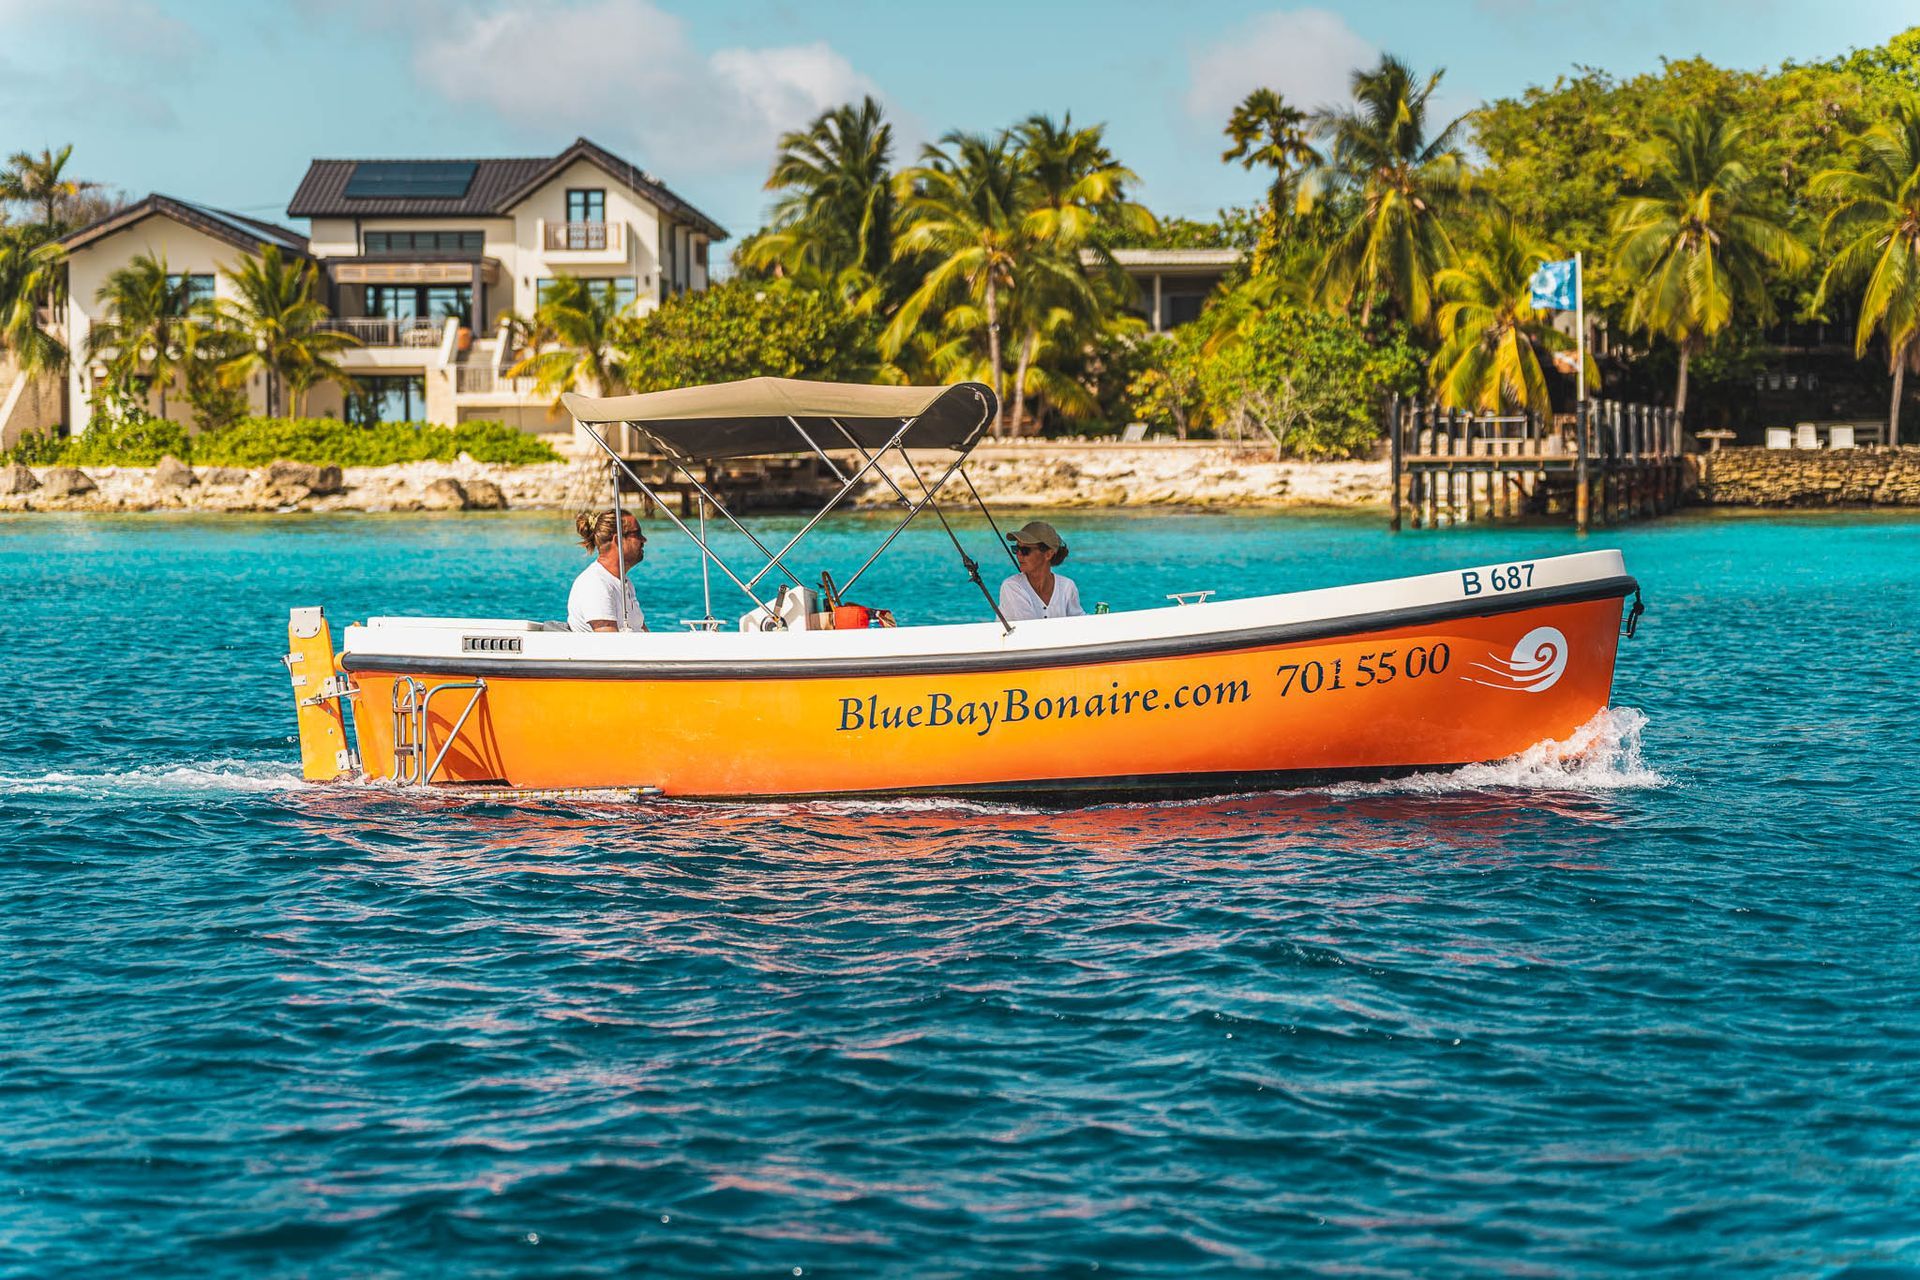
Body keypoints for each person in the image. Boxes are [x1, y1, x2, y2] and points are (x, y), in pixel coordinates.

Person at [568, 509, 648, 632]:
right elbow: (610, 646)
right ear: (618, 540)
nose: (644, 540)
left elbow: (645, 635)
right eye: (637, 534)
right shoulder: (595, 584)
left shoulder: (624, 583)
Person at [998, 520, 1083, 622]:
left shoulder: (1067, 587)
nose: (1018, 554)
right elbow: (1031, 630)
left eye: (1025, 550)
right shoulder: (1012, 586)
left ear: (1048, 554)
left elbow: (1079, 623)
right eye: (1016, 548)